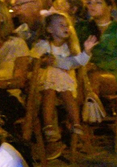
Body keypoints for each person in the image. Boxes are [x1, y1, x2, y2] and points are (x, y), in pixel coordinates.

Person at [32, 12, 89, 159]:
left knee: (67, 95)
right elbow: (33, 61)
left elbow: (77, 62)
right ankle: (48, 125)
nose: (65, 28)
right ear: (49, 29)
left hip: (65, 79)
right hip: (47, 78)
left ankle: (76, 123)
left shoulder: (69, 47)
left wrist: (87, 52)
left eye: (67, 25)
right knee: (49, 93)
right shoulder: (44, 45)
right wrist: (43, 62)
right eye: (61, 25)